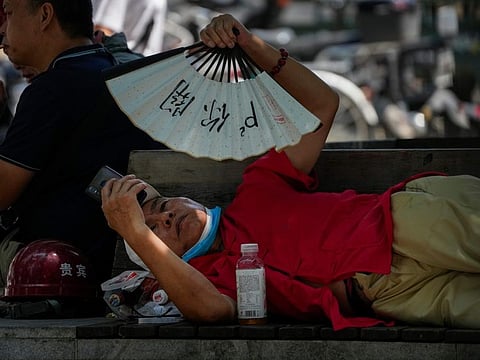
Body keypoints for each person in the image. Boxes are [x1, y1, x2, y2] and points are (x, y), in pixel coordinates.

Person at [101, 14, 480, 330]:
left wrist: (252, 46)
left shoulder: (256, 191)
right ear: (156, 257)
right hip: (389, 297)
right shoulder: (211, 282)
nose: (167, 216)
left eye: (163, 204)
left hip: (403, 226)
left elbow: (322, 106)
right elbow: (211, 312)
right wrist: (132, 230)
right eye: (154, 229)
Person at [0, 0, 166, 295]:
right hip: (114, 259)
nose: (3, 30)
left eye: (9, 14)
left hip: (61, 266)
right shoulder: (115, 72)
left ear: (45, 15)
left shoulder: (52, 89)